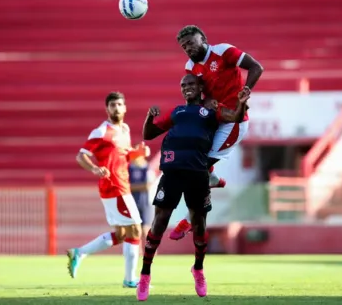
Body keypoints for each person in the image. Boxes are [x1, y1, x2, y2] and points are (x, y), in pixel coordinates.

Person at [136, 74, 250, 301]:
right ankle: (145, 275)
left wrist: (242, 102)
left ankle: (198, 269)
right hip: (171, 173)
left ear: (200, 88)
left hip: (198, 174)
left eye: (191, 84)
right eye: (183, 85)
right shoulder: (176, 112)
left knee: (199, 225)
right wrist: (149, 119)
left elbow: (235, 116)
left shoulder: (210, 113)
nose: (186, 88)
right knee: (159, 222)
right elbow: (148, 135)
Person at [171, 25, 264, 240]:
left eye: (191, 42)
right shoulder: (190, 66)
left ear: (203, 38)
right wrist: (203, 102)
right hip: (213, 118)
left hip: (233, 122)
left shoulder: (223, 51)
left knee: (197, 167)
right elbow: (197, 95)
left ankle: (190, 218)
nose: (188, 48)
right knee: (192, 158)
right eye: (184, 46)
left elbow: (256, 67)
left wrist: (246, 91)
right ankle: (211, 178)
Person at [67, 92, 149, 288]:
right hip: (114, 186)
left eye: (119, 104)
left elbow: (125, 156)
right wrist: (95, 168)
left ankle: (78, 253)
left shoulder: (125, 130)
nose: (116, 108)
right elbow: (81, 156)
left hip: (122, 185)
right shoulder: (102, 131)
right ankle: (130, 280)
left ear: (125, 108)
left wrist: (139, 153)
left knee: (122, 234)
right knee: (136, 229)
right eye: (112, 105)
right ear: (107, 109)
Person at [129, 155, 155, 238]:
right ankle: (138, 251)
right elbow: (125, 186)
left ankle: (151, 250)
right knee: (135, 230)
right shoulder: (129, 169)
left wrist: (132, 187)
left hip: (146, 203)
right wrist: (140, 186)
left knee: (146, 229)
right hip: (133, 203)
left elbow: (148, 186)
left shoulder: (148, 169)